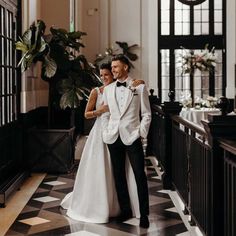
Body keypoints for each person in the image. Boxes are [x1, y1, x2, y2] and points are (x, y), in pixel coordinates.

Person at [60, 62, 144, 223]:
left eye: (107, 74)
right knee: (100, 167)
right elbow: (87, 114)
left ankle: (122, 204)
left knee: (120, 170)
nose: (104, 77)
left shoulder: (125, 88)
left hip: (120, 134)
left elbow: (134, 90)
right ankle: (98, 204)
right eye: (102, 75)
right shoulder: (96, 91)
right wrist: (101, 111)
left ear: (113, 74)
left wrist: (141, 82)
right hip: (100, 133)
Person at [101, 54, 151, 228]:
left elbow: (146, 114)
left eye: (116, 67)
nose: (113, 70)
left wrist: (140, 132)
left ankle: (144, 214)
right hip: (114, 137)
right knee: (119, 176)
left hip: (132, 136)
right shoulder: (108, 89)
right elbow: (106, 113)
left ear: (125, 67)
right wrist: (106, 131)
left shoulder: (140, 87)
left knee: (140, 175)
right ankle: (125, 210)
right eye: (112, 67)